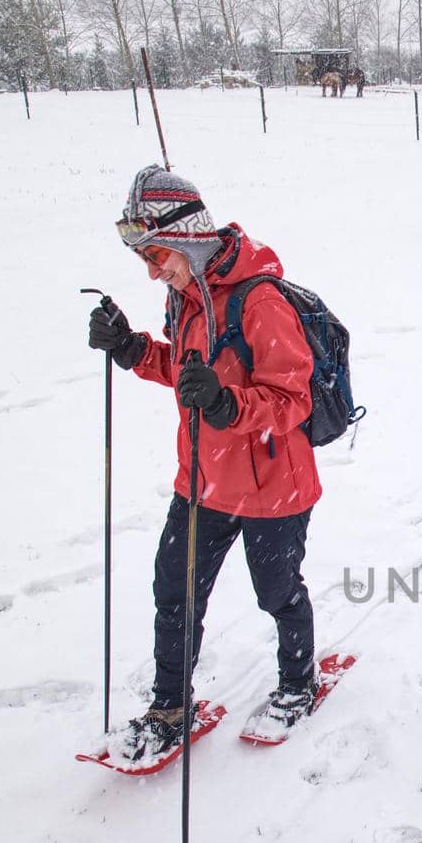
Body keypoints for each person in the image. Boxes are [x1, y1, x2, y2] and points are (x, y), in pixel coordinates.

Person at [87, 165, 323, 763]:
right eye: (144, 258)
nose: (152, 270)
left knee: (277, 593)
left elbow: (293, 400)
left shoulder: (261, 301)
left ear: (188, 236)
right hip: (203, 481)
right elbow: (185, 373)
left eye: (158, 253)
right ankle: (171, 708)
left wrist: (226, 403)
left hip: (273, 487)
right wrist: (133, 349)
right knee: (175, 592)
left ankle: (299, 683)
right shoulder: (183, 296)